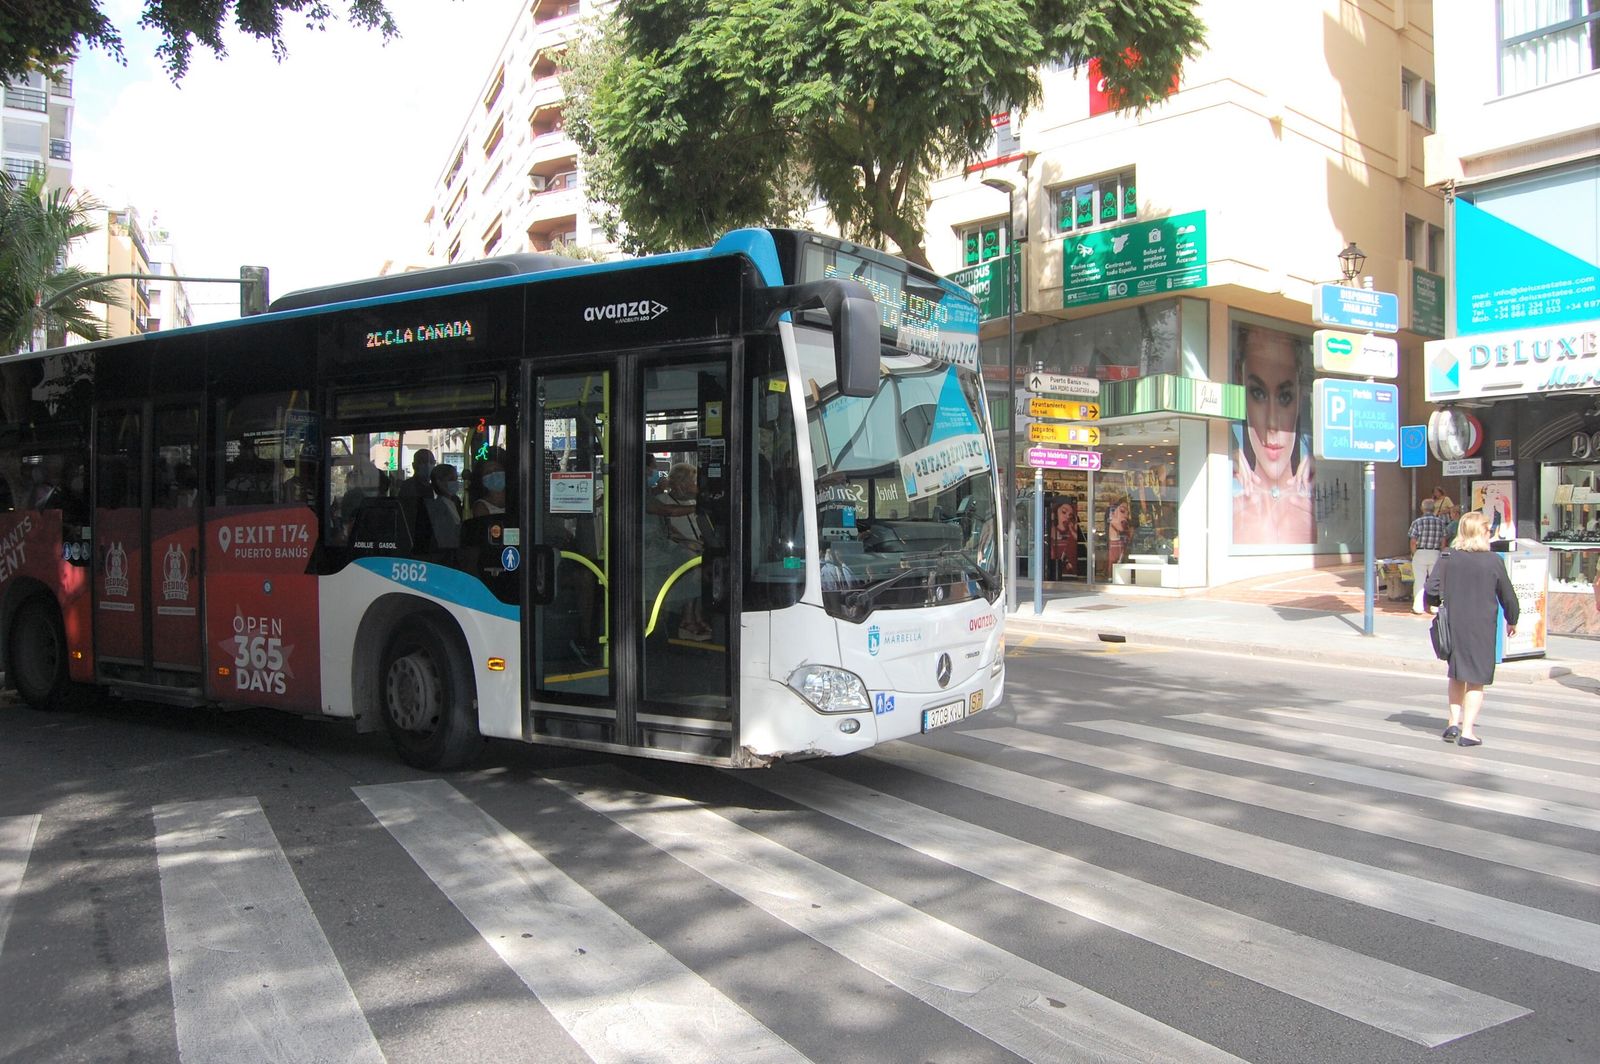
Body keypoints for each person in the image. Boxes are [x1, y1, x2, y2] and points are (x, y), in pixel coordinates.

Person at [1425, 510, 1519, 748]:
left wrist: (1438, 603)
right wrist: (1512, 619)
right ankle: (1467, 731)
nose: (1490, 534)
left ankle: (1452, 724)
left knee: (1457, 674)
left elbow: (1431, 589)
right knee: (1476, 679)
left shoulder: (1448, 556)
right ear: (1481, 533)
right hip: (1482, 626)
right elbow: (1508, 595)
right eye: (1488, 530)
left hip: (1454, 623)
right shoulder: (1493, 561)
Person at [1232, 324, 1315, 544]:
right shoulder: (1227, 513)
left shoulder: (1315, 512)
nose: (1272, 423)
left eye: (1285, 397)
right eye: (1258, 393)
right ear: (1240, 384)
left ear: (1300, 394)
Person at [650, 462, 710, 639]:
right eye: (692, 481)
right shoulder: (663, 500)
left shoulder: (692, 501)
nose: (695, 485)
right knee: (694, 568)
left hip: (696, 544)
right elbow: (667, 530)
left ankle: (697, 615)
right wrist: (689, 543)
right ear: (681, 482)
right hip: (677, 547)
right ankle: (687, 618)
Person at [1407, 498, 1448, 614]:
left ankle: (1418, 607)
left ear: (1422, 508)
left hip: (1420, 552)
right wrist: (1441, 552)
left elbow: (1413, 541)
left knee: (1419, 581)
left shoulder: (1417, 522)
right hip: (1435, 552)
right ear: (1434, 508)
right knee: (1435, 581)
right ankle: (1435, 607)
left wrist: (1414, 553)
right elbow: (1443, 541)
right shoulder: (1440, 522)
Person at [420, 462, 462, 550]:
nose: (455, 483)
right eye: (451, 479)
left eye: (456, 479)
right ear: (439, 482)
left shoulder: (455, 502)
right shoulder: (436, 507)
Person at [1049, 497, 1079, 579]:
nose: (1067, 517)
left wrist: (1072, 530)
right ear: (1055, 515)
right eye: (1064, 512)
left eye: (1070, 515)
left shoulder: (1072, 533)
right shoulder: (1051, 532)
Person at [1105, 496, 1131, 567]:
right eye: (1122, 511)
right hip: (1115, 541)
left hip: (1121, 542)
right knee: (1114, 565)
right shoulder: (1113, 511)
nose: (1126, 516)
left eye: (1128, 513)